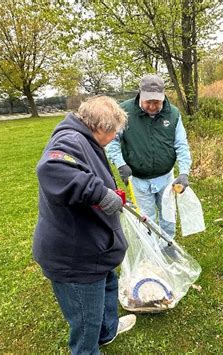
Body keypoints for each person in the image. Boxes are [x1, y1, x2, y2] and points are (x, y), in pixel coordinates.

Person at [32, 96, 136, 354]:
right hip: (74, 259)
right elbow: (51, 168)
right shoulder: (70, 140)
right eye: (113, 132)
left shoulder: (86, 139)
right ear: (100, 127)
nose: (113, 138)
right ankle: (89, 345)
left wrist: (115, 197)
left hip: (95, 248)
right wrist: (100, 193)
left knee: (109, 284)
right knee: (85, 324)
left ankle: (107, 331)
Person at [106, 74, 192, 242]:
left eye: (157, 102)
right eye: (148, 102)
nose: (152, 106)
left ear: (163, 96)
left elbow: (181, 144)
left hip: (166, 178)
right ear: (141, 95)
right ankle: (152, 254)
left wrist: (184, 172)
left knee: (168, 216)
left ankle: (168, 246)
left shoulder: (173, 114)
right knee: (146, 218)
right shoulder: (124, 112)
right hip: (138, 179)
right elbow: (112, 142)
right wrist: (121, 164)